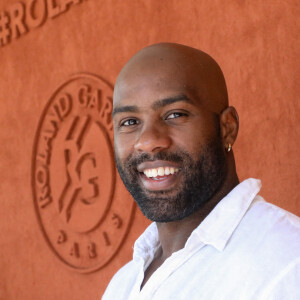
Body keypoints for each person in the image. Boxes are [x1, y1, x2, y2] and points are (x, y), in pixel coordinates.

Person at [103, 43, 300, 300]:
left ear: (227, 127)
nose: (148, 141)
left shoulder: (286, 262)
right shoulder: (122, 285)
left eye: (175, 114)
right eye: (129, 122)